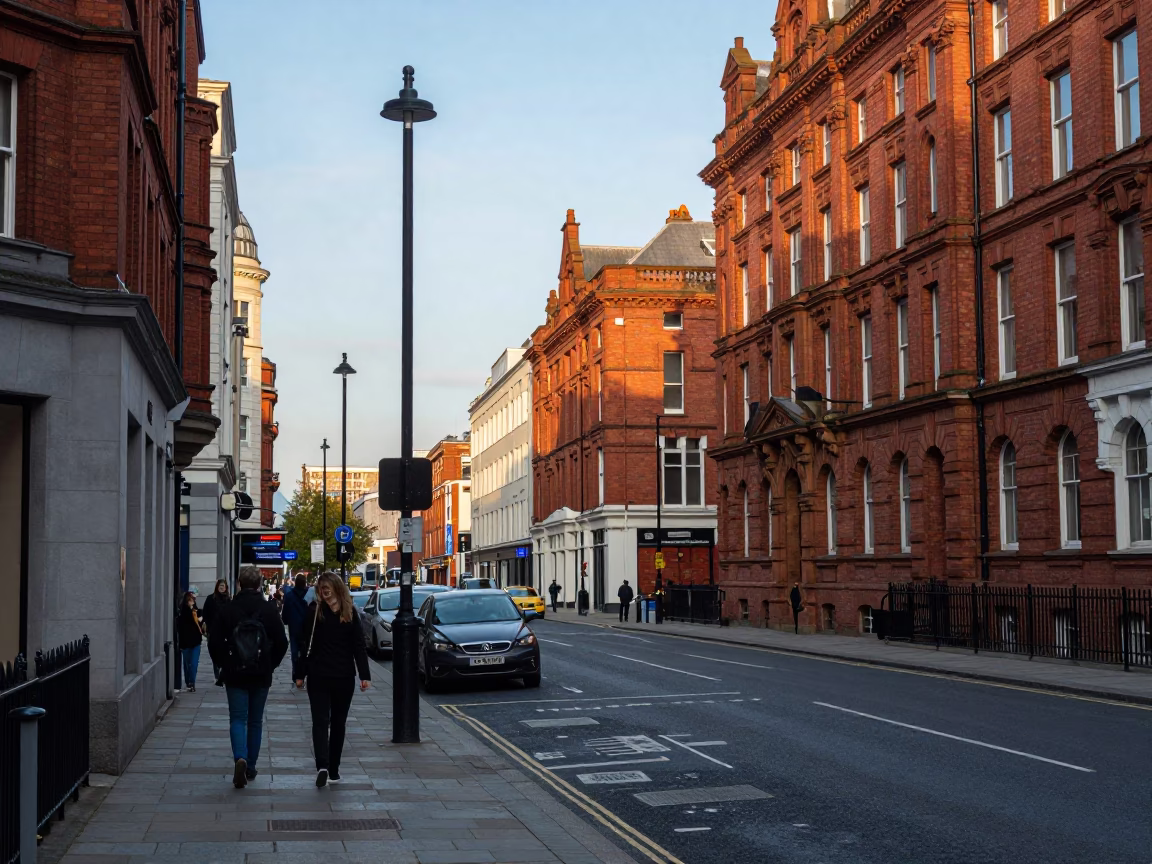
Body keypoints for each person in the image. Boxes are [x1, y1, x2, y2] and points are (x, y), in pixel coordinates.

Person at [209, 565, 288, 789]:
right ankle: (251, 766)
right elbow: (282, 642)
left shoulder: (228, 610)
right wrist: (270, 665)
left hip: (235, 673)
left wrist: (226, 663)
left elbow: (214, 643)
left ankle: (239, 758)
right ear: (260, 584)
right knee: (255, 721)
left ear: (239, 584)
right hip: (261, 673)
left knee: (237, 718)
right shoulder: (268, 609)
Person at [297, 572, 371, 788]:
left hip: (343, 677)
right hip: (319, 676)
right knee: (320, 722)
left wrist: (364, 675)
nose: (324, 591)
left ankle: (333, 769)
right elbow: (305, 644)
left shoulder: (350, 613)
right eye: (321, 588)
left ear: (337, 588)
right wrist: (300, 674)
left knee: (338, 723)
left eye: (327, 587)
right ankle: (323, 766)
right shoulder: (315, 612)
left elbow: (359, 645)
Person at [281, 573, 311, 687]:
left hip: (294, 627)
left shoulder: (289, 595)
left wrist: (285, 621)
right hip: (306, 628)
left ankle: (296, 673)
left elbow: (285, 611)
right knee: (306, 651)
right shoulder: (309, 594)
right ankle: (304, 673)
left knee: (294, 652)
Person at [201, 579, 231, 684]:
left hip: (225, 630)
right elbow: (205, 613)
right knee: (213, 649)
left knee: (224, 650)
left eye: (223, 586)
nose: (222, 588)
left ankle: (222, 671)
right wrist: (208, 624)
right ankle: (216, 673)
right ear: (217, 587)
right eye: (220, 586)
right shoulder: (211, 598)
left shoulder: (228, 600)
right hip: (213, 630)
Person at [177, 592, 205, 692]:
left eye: (193, 599)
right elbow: (180, 628)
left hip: (196, 641)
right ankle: (188, 682)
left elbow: (200, 624)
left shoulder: (197, 611)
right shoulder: (183, 613)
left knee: (194, 664)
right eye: (189, 600)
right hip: (186, 643)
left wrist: (200, 619)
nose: (191, 602)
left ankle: (192, 682)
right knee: (186, 664)